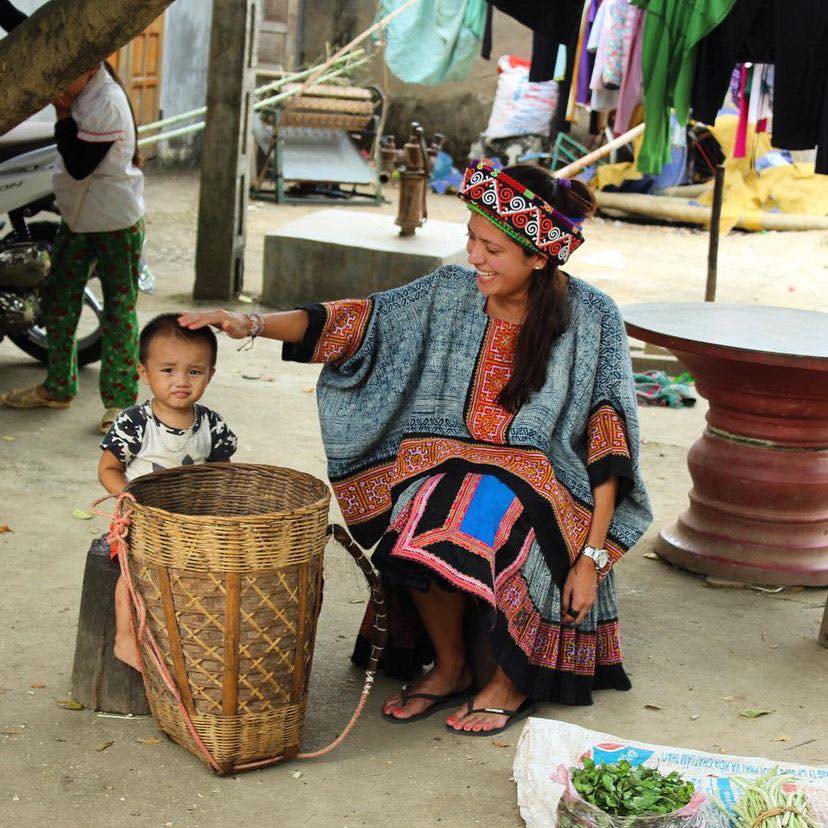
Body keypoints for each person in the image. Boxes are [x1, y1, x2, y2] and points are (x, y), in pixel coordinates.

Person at [180, 162, 651, 736]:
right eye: (471, 240)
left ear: (539, 257)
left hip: (551, 483)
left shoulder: (592, 315)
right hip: (447, 459)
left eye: (492, 249)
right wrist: (248, 322)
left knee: (480, 511)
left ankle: (511, 681)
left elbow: (609, 439)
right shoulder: (449, 291)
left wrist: (592, 559)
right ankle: (451, 666)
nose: (475, 257)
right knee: (421, 515)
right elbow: (358, 323)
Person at [1, 59, 146, 434]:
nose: (60, 84)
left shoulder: (106, 100)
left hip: (115, 222)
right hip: (78, 220)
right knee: (58, 302)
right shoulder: (85, 88)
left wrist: (62, 111)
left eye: (68, 77)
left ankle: (119, 404)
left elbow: (80, 164)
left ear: (90, 68)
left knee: (119, 310)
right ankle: (58, 387)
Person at [99, 313, 237, 671]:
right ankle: (125, 639)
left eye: (194, 371)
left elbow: (225, 476)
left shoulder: (212, 425)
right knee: (135, 570)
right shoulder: (135, 422)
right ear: (143, 372)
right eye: (168, 370)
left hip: (195, 524)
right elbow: (108, 469)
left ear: (210, 374)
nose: (181, 381)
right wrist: (131, 501)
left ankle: (200, 640)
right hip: (141, 521)